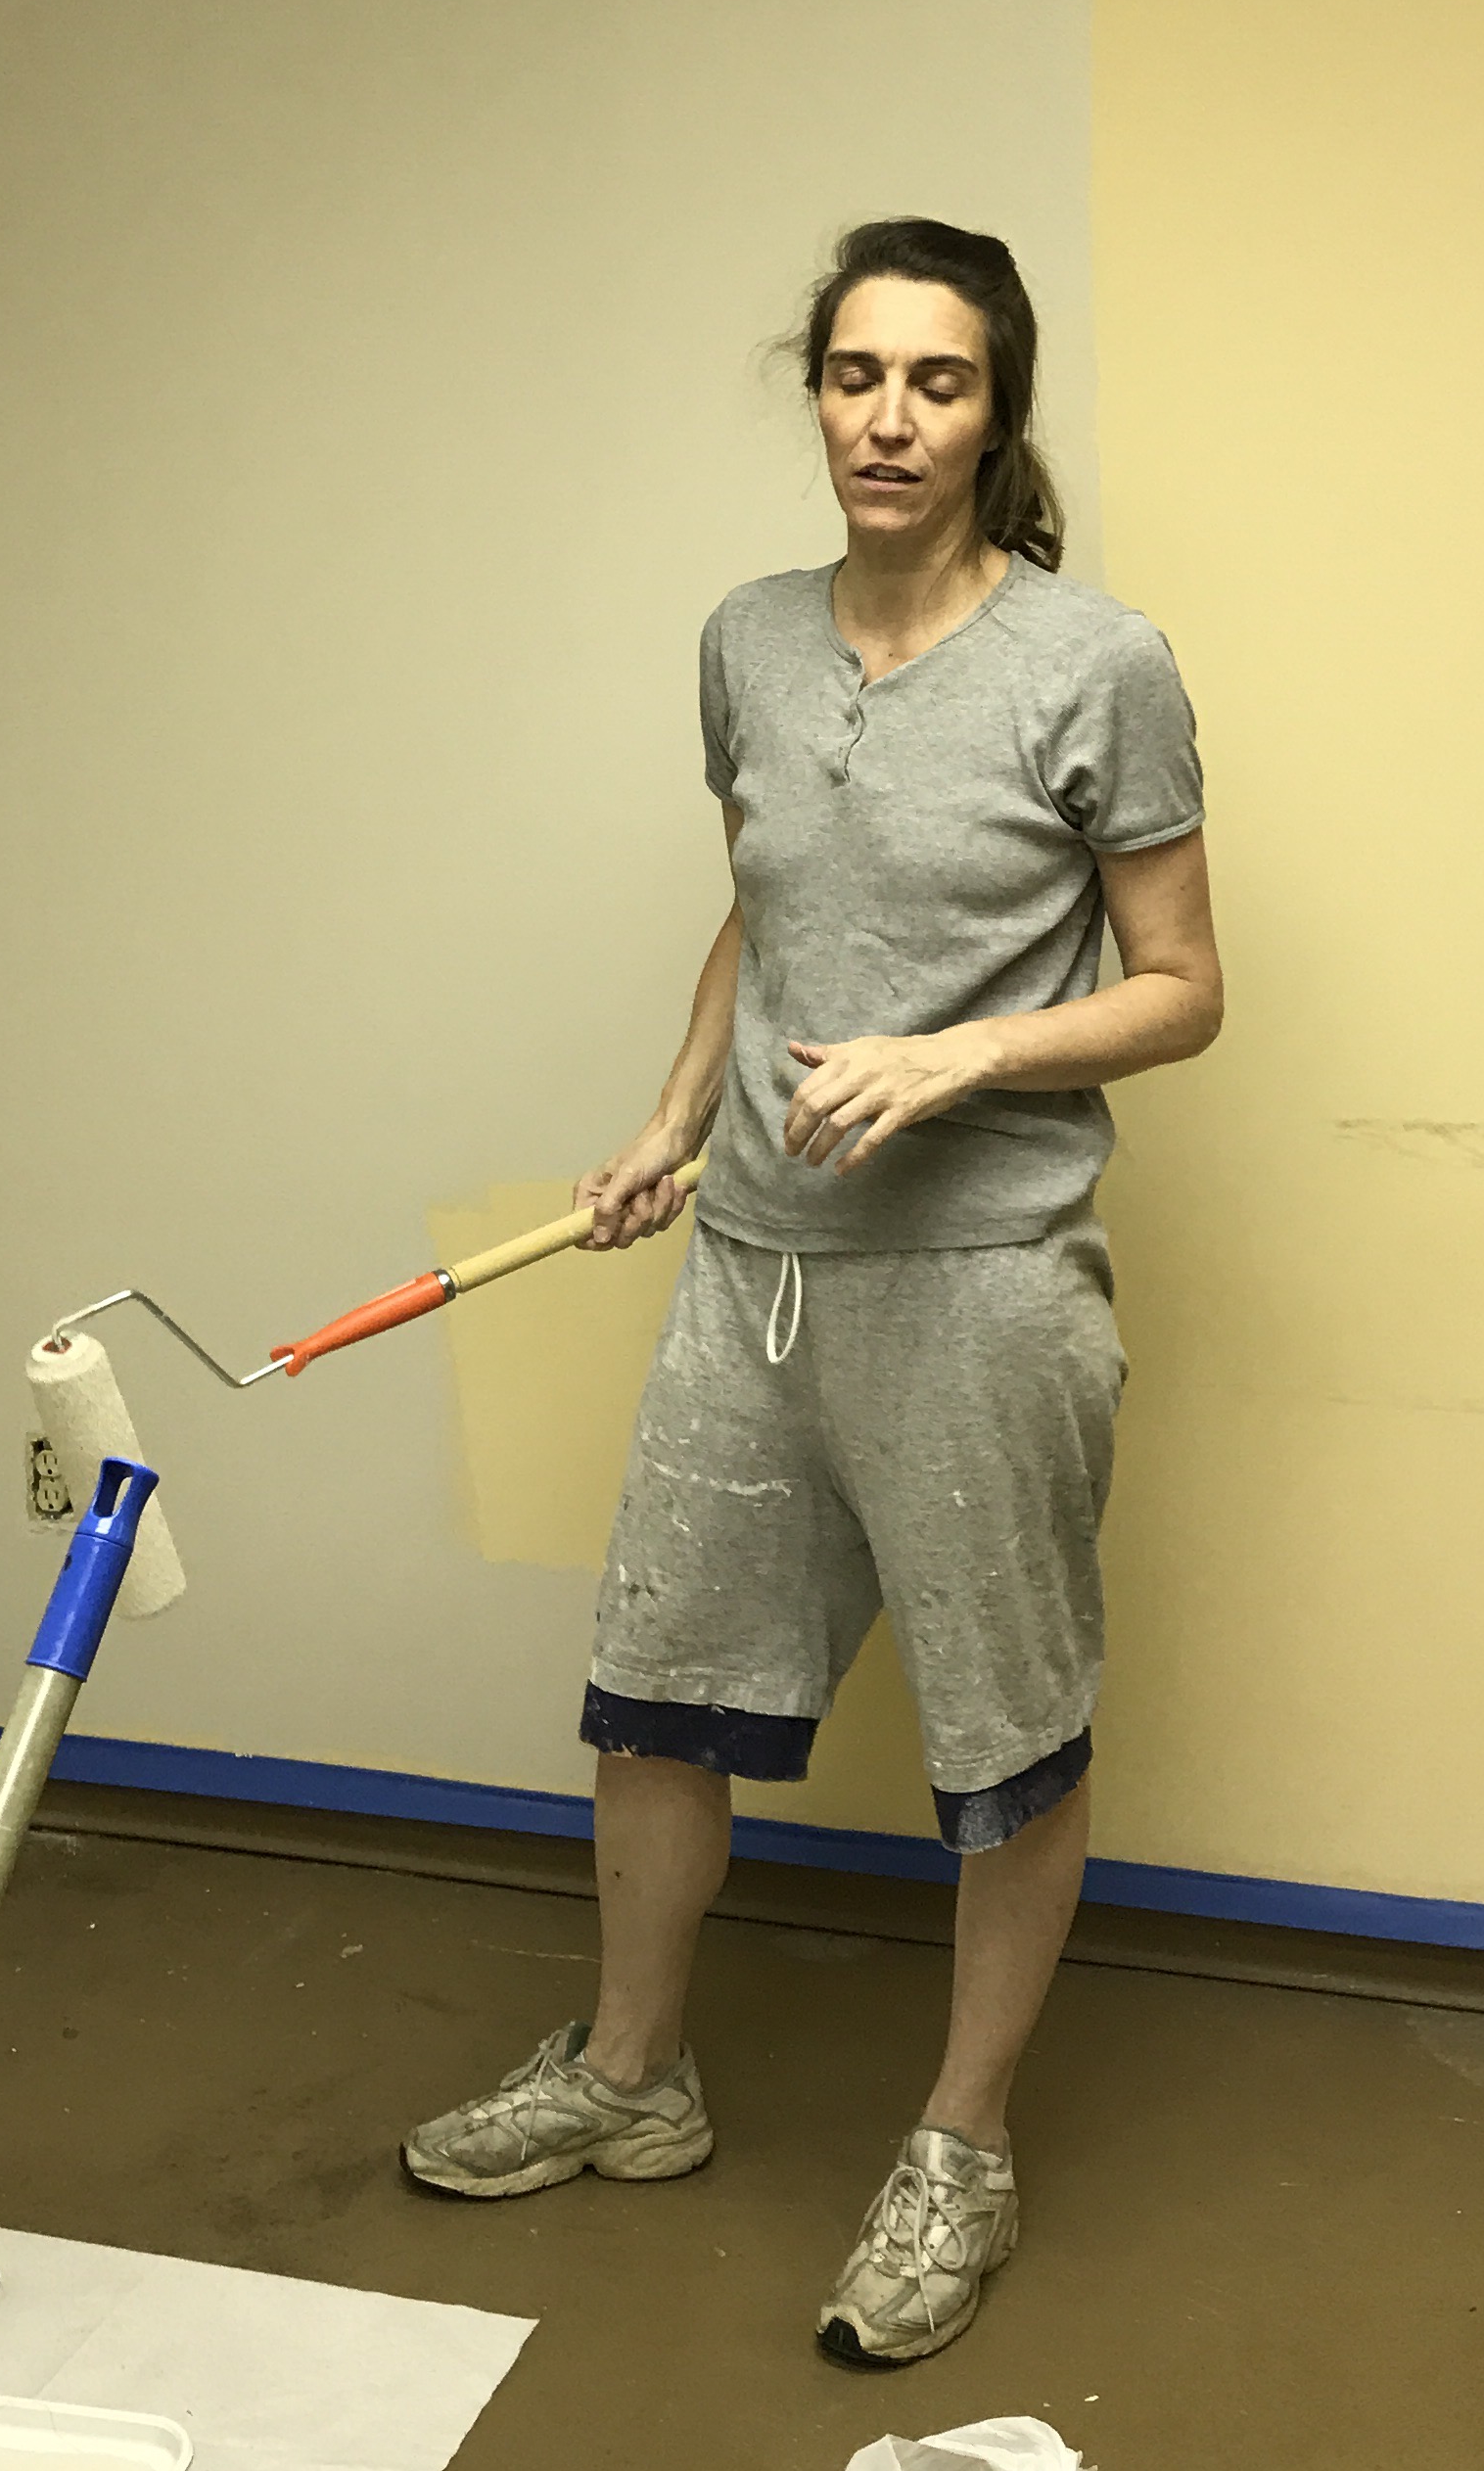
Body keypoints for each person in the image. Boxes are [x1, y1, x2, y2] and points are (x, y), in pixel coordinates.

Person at [401, 218, 1223, 2362]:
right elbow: (768, 906)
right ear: (818, 395)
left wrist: (960, 1058)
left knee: (1006, 1739)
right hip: (755, 1274)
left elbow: (1182, 989)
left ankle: (963, 2145)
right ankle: (630, 2075)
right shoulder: (750, 642)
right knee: (655, 1692)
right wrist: (674, 1118)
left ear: (995, 411)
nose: (890, 418)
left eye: (938, 381)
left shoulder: (1095, 665)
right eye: (858, 375)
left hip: (980, 1285)